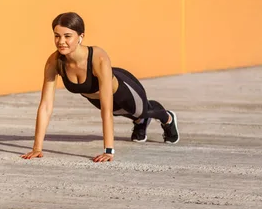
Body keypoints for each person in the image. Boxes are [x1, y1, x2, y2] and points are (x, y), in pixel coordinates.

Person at [21, 12, 179, 163]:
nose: (61, 41)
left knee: (143, 110)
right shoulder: (54, 61)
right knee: (123, 113)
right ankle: (140, 122)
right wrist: (37, 148)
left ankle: (168, 118)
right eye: (57, 36)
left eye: (67, 36)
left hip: (124, 89)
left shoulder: (98, 57)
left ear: (81, 36)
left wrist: (108, 150)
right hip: (96, 98)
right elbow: (46, 106)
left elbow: (106, 109)